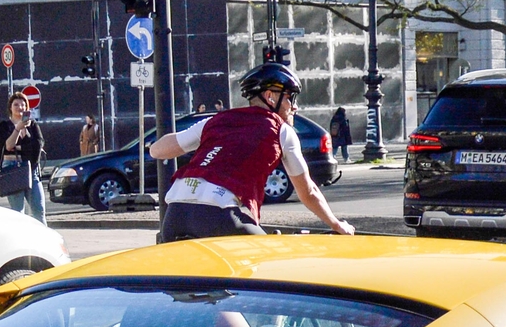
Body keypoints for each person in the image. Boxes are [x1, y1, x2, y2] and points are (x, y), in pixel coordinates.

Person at [149, 63, 355, 243]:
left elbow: (158, 151)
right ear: (270, 96)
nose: (295, 107)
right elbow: (308, 192)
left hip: (174, 216)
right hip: (217, 215)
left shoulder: (215, 121)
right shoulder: (281, 130)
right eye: (290, 98)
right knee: (265, 266)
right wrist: (337, 225)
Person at [0, 95, 46, 221]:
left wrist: (20, 146)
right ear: (10, 108)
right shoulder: (5, 126)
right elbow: (8, 146)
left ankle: (42, 239)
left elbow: (37, 146)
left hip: (31, 168)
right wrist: (18, 128)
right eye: (16, 105)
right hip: (12, 169)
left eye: (23, 105)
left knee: (39, 210)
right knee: (18, 212)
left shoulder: (33, 125)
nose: (20, 107)